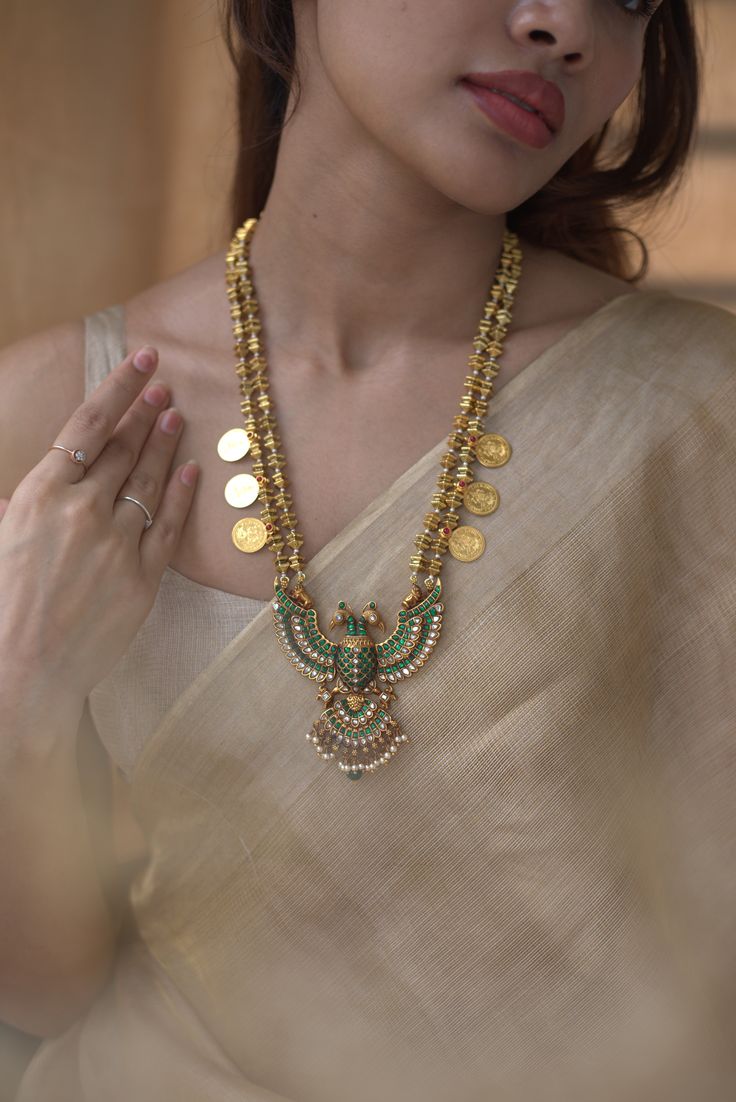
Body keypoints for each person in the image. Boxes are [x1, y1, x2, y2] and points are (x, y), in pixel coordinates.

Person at [1, 1, 734, 1099]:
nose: (567, 25)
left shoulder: (695, 416)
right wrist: (19, 702)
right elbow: (43, 991)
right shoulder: (52, 418)